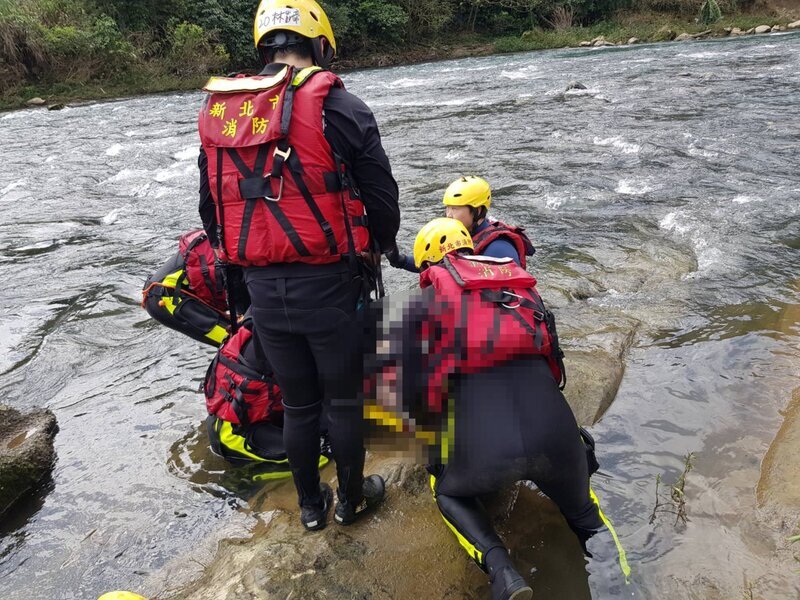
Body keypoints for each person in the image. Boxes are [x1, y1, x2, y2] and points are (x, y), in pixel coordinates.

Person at [196, 0, 400, 531]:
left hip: (262, 289)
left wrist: (240, 284)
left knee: (302, 405)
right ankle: (353, 500)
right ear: (320, 43)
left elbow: (211, 207)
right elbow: (381, 194)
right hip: (330, 282)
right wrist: (383, 244)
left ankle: (311, 509)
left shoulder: (225, 111)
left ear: (264, 45)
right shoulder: (342, 106)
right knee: (343, 403)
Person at [370, 218, 604, 600]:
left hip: (485, 455)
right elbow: (554, 367)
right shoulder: (520, 292)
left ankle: (503, 572)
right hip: (557, 439)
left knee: (447, 491)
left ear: (426, 266)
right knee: (584, 513)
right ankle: (616, 558)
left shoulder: (415, 310)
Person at [387, 176, 535, 272]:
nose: (449, 214)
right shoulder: (456, 235)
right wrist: (401, 260)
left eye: (455, 208)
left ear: (477, 210)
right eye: (448, 208)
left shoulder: (499, 249)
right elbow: (437, 265)